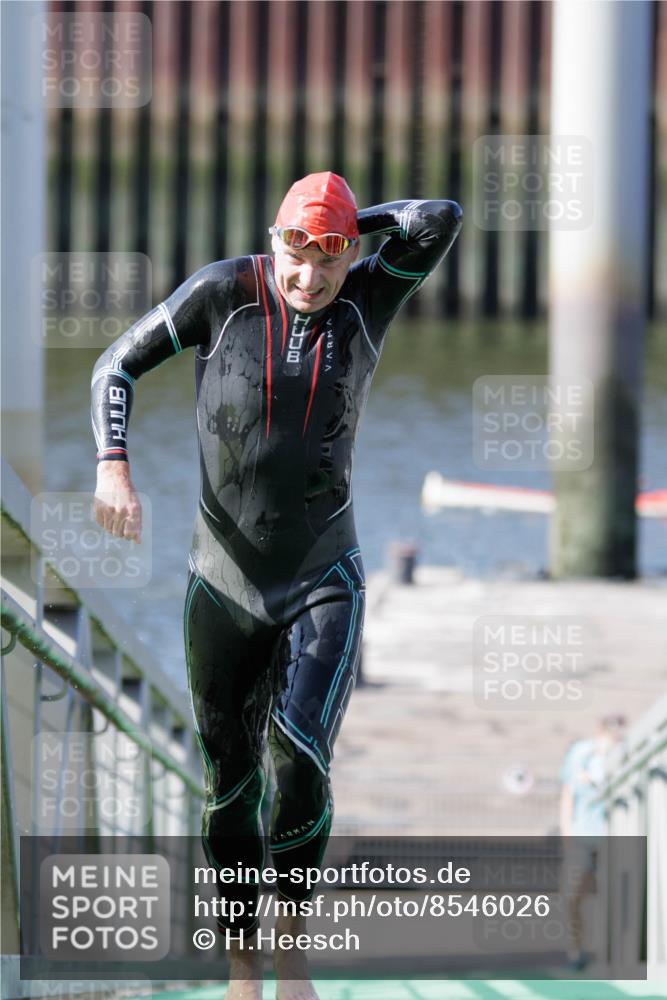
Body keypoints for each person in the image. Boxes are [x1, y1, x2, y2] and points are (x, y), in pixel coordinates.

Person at [92, 172, 462, 1000]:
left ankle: (290, 951)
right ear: (272, 241)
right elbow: (114, 366)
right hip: (220, 581)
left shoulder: (367, 300)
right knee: (232, 782)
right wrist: (112, 467)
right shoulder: (224, 294)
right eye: (297, 251)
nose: (310, 276)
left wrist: (342, 223)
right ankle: (241, 966)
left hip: (322, 572)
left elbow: (440, 218)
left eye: (329, 257)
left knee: (299, 758)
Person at [559, 713, 627, 970]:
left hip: (617, 833)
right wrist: (567, 834)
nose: (616, 734)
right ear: (601, 730)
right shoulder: (581, 753)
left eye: (619, 729)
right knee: (573, 894)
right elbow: (568, 795)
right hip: (583, 834)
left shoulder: (625, 754)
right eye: (611, 729)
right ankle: (576, 951)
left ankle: (612, 951)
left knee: (617, 894)